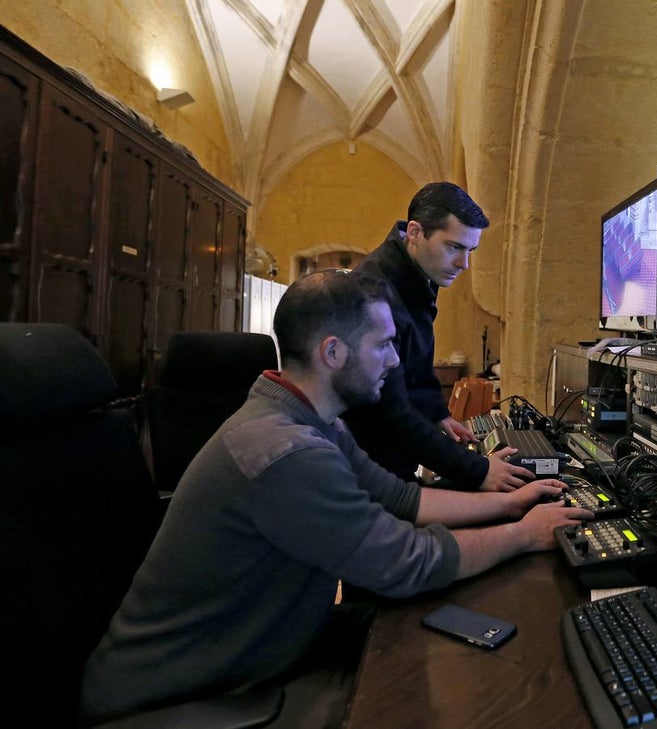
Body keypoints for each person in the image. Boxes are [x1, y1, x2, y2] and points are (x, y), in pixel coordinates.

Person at [80, 269, 591, 723]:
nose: (395, 360)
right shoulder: (286, 451)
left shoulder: (312, 419)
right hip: (187, 697)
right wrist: (525, 536)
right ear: (333, 352)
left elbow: (399, 498)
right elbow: (407, 561)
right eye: (384, 345)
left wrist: (512, 503)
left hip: (262, 651)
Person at [342, 182, 533, 492]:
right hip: (371, 476)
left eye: (470, 250)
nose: (464, 263)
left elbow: (414, 367)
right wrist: (479, 470)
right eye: (454, 247)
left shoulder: (414, 274)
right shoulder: (374, 293)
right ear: (416, 233)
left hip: (390, 461)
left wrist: (437, 415)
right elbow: (389, 412)